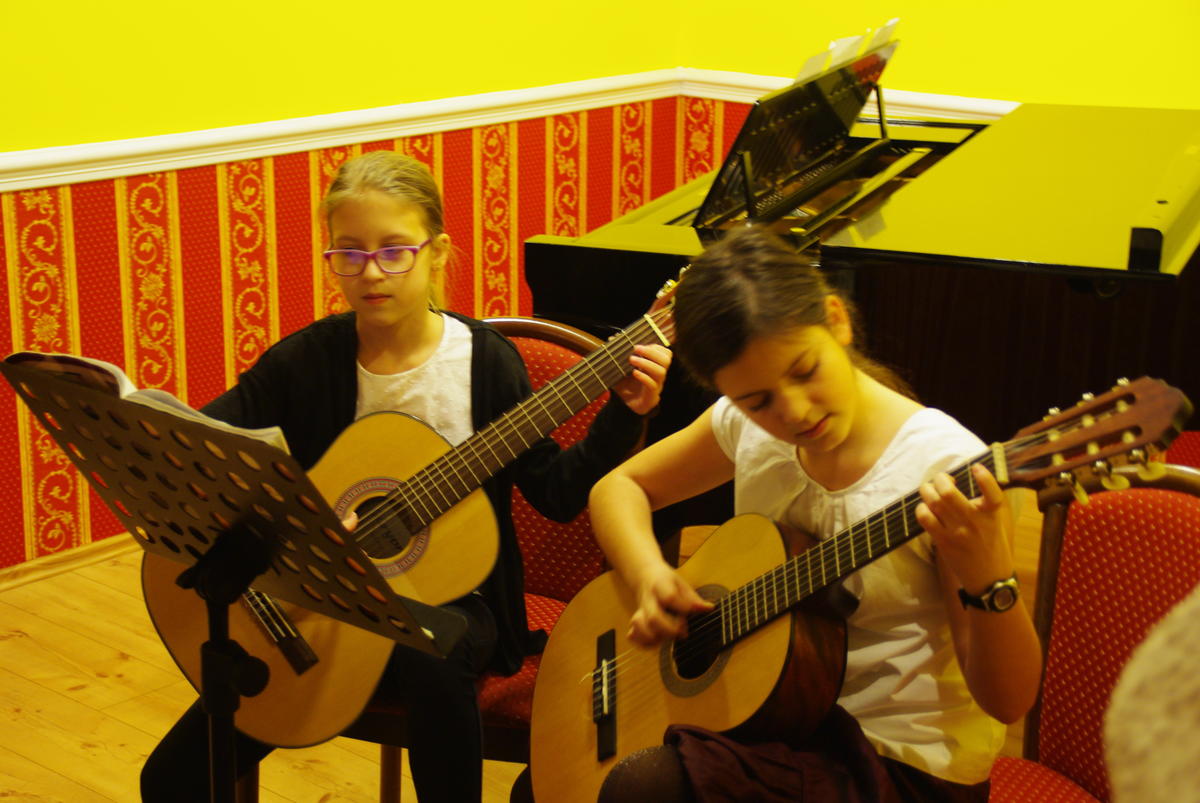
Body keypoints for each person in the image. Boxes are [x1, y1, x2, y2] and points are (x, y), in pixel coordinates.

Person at [140, 150, 671, 803]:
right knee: (169, 780)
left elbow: (558, 494)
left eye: (395, 251)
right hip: (320, 603)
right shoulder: (306, 361)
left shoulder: (485, 364)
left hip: (462, 603)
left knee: (429, 650)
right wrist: (299, 524)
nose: (371, 272)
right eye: (349, 253)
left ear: (437, 252)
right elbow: (208, 450)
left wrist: (624, 414)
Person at [587, 226, 1042, 802]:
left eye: (805, 371)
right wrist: (649, 576)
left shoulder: (942, 466)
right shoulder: (744, 425)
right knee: (553, 785)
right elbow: (618, 488)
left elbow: (1007, 700)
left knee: (643, 788)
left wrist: (989, 578)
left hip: (897, 762)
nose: (795, 412)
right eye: (758, 401)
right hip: (774, 718)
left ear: (836, 320)